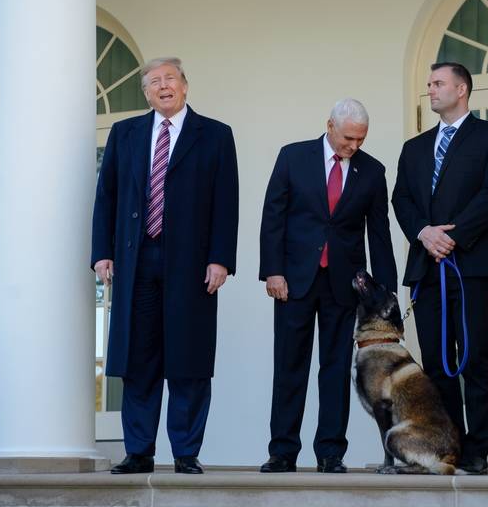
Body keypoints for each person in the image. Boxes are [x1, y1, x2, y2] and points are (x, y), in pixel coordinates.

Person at [91, 57, 239, 475]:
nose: (163, 86)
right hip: (136, 260)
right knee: (139, 360)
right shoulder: (125, 134)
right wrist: (102, 251)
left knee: (188, 358)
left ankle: (185, 452)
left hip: (192, 264)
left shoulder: (215, 135)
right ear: (146, 93)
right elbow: (107, 196)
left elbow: (226, 202)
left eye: (169, 79)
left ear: (185, 86)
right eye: (154, 82)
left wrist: (220, 258)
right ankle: (139, 451)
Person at [258, 98, 398, 474]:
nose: (354, 146)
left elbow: (379, 234)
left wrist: (386, 293)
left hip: (343, 285)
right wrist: (273, 271)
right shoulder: (293, 157)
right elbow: (273, 216)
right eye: (349, 138)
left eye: (361, 140)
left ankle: (330, 452)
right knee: (290, 367)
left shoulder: (372, 171)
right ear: (330, 126)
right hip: (294, 281)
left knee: (335, 369)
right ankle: (282, 451)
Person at [392, 62, 488, 475]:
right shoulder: (414, 148)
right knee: (437, 362)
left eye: (438, 83)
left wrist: (453, 236)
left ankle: (477, 451)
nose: (431, 90)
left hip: (471, 266)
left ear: (461, 90)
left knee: (475, 358)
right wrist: (425, 233)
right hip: (427, 269)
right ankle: (450, 447)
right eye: (429, 84)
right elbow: (402, 200)